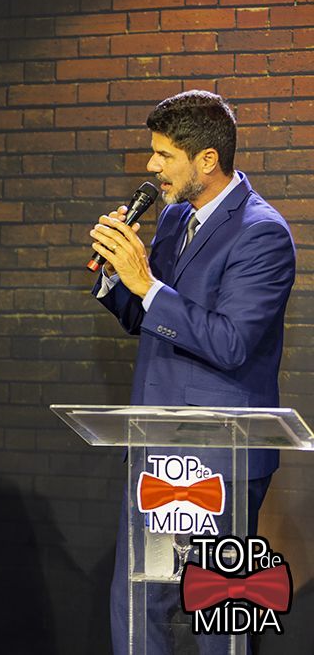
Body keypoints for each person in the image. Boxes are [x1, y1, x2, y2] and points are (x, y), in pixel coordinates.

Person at [89, 90, 296, 654]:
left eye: (164, 154)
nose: (151, 165)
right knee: (140, 602)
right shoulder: (176, 217)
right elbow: (146, 317)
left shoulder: (262, 232)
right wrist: (117, 275)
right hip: (158, 453)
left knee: (220, 614)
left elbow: (231, 343)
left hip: (221, 462)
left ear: (207, 159)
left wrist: (147, 284)